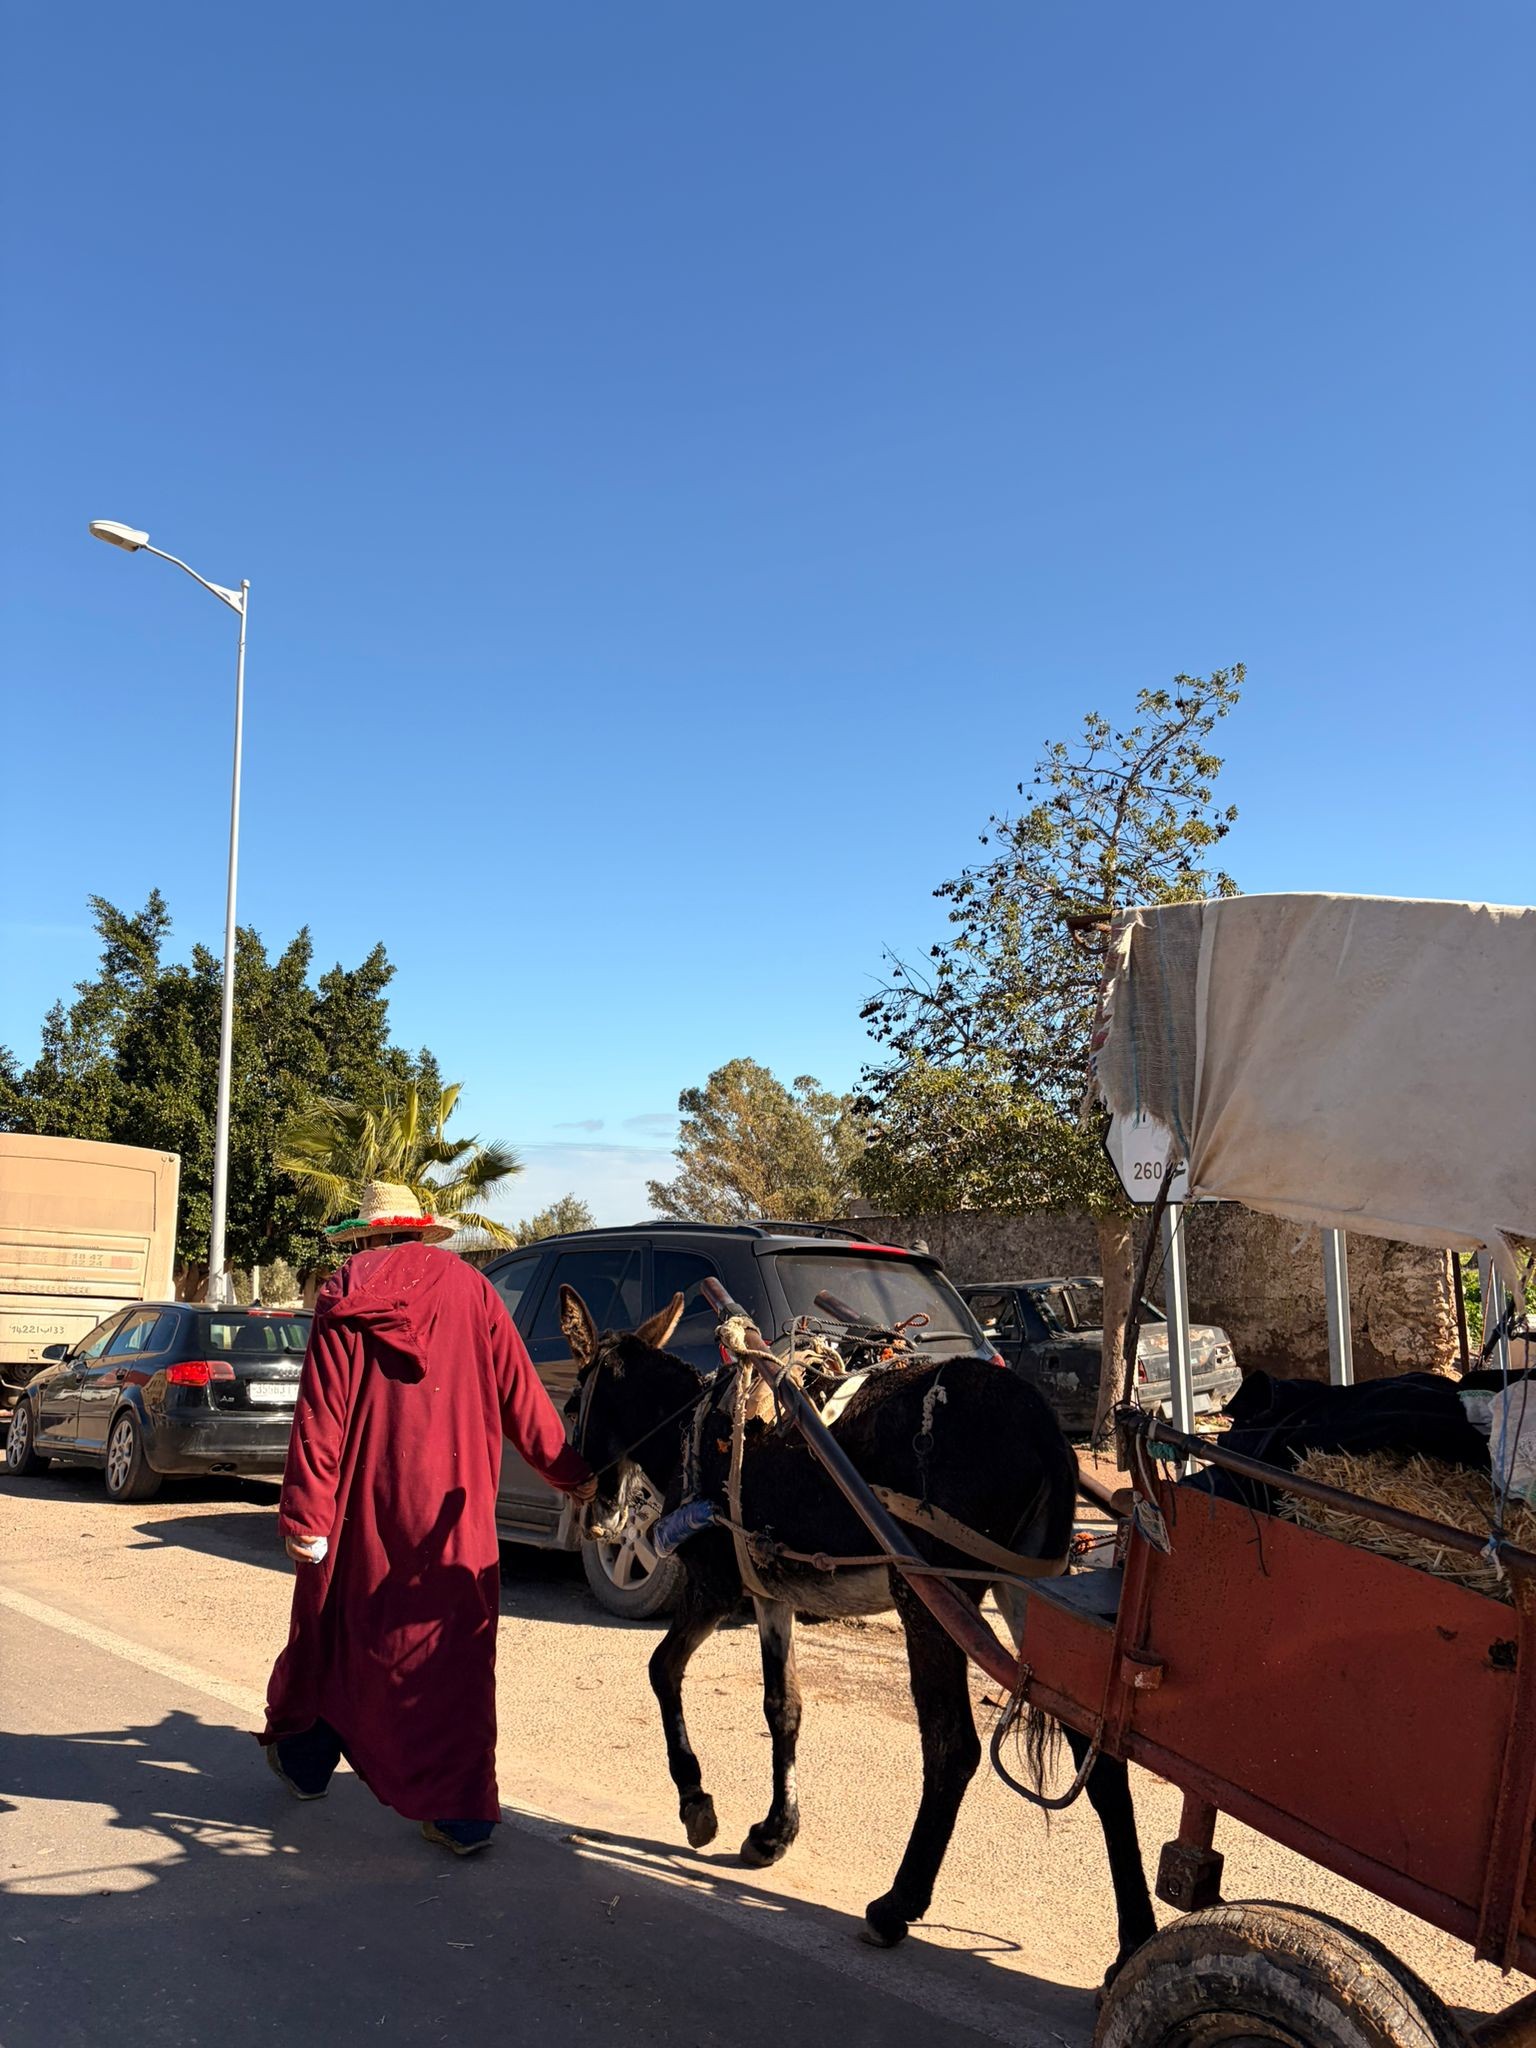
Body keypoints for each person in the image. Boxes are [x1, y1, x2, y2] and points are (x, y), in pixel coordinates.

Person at [258, 1181, 595, 1855]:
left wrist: (306, 1511)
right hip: (456, 1511)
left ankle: (305, 1761)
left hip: (363, 1509)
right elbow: (522, 1396)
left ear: (367, 1236)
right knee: (454, 1658)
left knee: (333, 1631)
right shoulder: (474, 1291)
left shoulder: (346, 1289)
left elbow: (323, 1411)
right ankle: (463, 1814)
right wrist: (571, 1473)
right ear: (419, 1233)